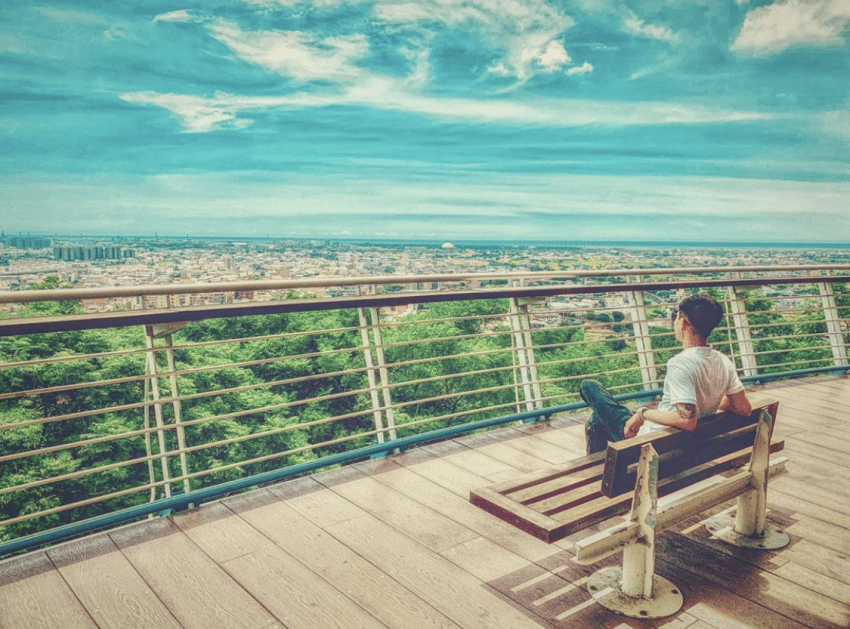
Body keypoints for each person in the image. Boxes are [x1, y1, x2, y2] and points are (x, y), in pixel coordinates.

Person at [579, 294, 752, 454]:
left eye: (676, 316)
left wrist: (643, 413)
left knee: (589, 387)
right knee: (597, 418)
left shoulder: (680, 364)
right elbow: (744, 408)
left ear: (683, 322)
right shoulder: (723, 361)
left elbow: (687, 422)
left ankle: (604, 477)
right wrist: (708, 400)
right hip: (684, 446)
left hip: (649, 443)